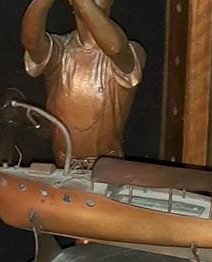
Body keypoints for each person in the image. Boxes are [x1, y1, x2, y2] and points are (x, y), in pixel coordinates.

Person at [21, 0, 145, 168]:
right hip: (63, 166)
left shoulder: (129, 52)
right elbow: (31, 43)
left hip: (106, 169)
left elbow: (115, 48)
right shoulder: (60, 50)